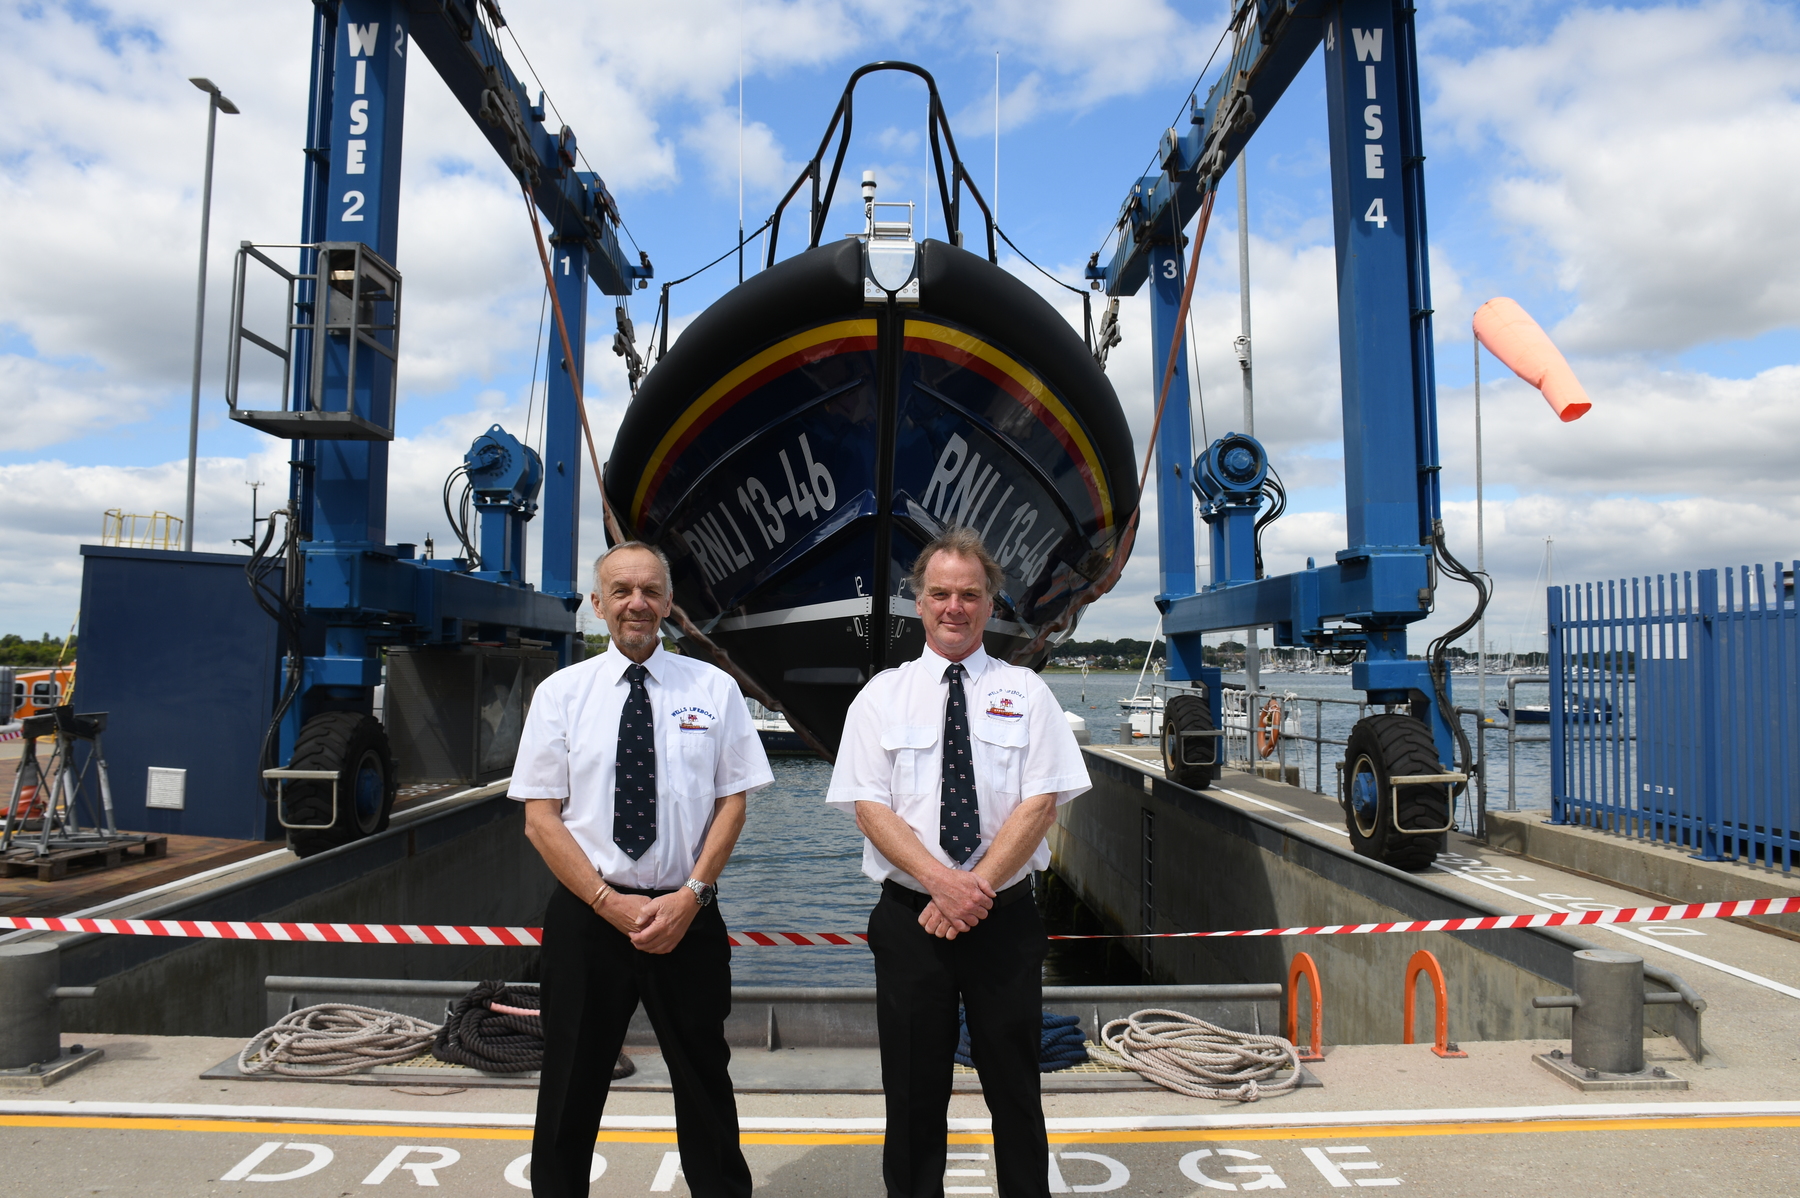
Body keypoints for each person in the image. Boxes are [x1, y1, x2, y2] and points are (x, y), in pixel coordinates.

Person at [826, 526, 1091, 1198]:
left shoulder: (1027, 693)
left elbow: (1041, 801)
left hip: (1003, 922)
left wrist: (973, 891)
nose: (954, 606)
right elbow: (870, 807)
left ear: (990, 604)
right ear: (918, 602)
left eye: (969, 594)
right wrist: (946, 887)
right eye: (940, 593)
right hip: (912, 924)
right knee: (914, 1099)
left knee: (1015, 1092)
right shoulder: (880, 697)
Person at [511, 541, 772, 1198]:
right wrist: (606, 902)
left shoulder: (712, 689)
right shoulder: (560, 695)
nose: (637, 603)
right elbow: (540, 819)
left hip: (686, 912)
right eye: (621, 591)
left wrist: (691, 895)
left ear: (668, 602)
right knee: (570, 1083)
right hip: (588, 917)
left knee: (705, 1083)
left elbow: (732, 803)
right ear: (598, 605)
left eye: (650, 590)